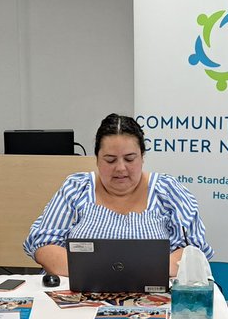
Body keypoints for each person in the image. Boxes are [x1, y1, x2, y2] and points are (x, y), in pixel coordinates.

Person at [24, 113, 213, 277]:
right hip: (80, 295)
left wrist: (135, 272)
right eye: (110, 160)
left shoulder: (168, 191)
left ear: (142, 157)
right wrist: (106, 272)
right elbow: (43, 245)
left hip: (152, 299)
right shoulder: (76, 188)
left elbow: (193, 252)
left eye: (130, 159)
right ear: (97, 159)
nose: (121, 168)